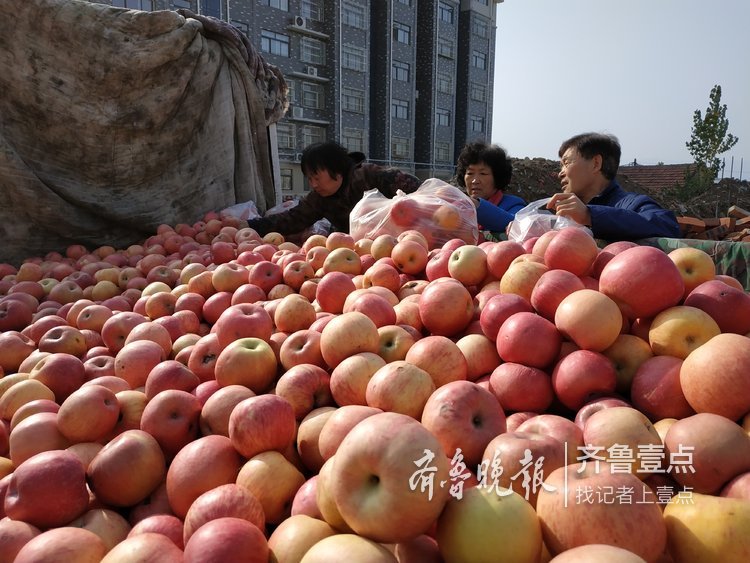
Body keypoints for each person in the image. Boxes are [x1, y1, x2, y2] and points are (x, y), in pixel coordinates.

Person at [247, 141, 420, 236]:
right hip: (352, 251)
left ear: (337, 171)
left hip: (399, 243)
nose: (313, 184)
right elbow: (293, 219)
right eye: (309, 179)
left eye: (316, 177)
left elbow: (418, 190)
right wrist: (250, 226)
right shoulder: (319, 198)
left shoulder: (371, 176)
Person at [546, 132, 681, 240]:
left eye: (567, 163)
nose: (560, 173)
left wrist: (590, 215)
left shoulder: (632, 204)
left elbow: (667, 227)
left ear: (596, 164)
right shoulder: (566, 213)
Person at [454, 141, 526, 233]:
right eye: (470, 173)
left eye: (483, 173)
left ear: (497, 177)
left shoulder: (514, 204)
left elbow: (517, 224)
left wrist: (476, 205)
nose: (475, 181)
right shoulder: (459, 207)